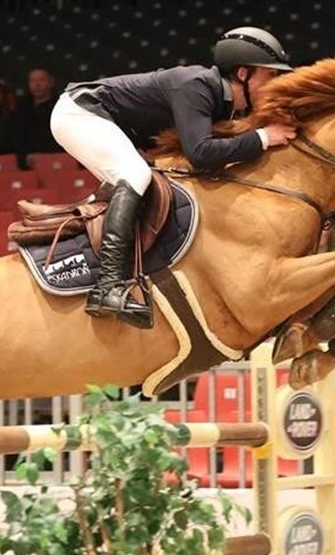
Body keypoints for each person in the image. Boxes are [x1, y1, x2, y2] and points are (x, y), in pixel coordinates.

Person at [49, 26, 298, 328]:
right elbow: (201, 153)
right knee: (135, 174)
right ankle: (107, 286)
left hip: (107, 120)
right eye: (270, 75)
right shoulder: (198, 85)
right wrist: (263, 137)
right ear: (243, 73)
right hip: (80, 112)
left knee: (148, 179)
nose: (276, 83)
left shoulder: (224, 105)